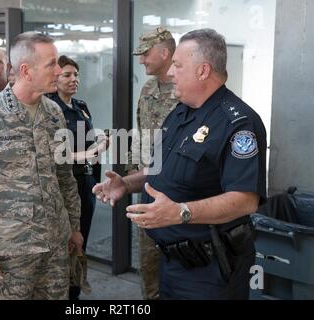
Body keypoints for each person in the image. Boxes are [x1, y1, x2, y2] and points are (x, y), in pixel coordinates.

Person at [93, 28, 267, 299]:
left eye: (177, 65)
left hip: (211, 271)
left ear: (203, 70)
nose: (171, 72)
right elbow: (161, 168)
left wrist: (181, 212)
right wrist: (125, 184)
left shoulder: (239, 123)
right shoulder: (180, 112)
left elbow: (245, 200)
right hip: (171, 264)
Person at [0, 32, 83, 300]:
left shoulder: (54, 113)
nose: (59, 71)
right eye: (52, 64)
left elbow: (64, 177)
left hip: (55, 249)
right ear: (26, 70)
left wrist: (74, 227)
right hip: (9, 254)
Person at [46, 55, 108, 300]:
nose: (74, 80)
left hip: (84, 182)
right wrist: (89, 152)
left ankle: (74, 293)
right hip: (62, 186)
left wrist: (100, 144)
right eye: (67, 75)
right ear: (55, 78)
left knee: (81, 241)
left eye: (76, 75)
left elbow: (89, 142)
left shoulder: (80, 106)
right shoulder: (49, 109)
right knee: (64, 244)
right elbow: (54, 153)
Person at [126, 26, 179, 300]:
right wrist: (132, 169)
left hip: (179, 190)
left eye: (145, 54)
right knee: (147, 261)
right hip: (148, 186)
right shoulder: (147, 89)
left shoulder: (187, 90)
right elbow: (139, 131)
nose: (141, 60)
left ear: (164, 52)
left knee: (179, 260)